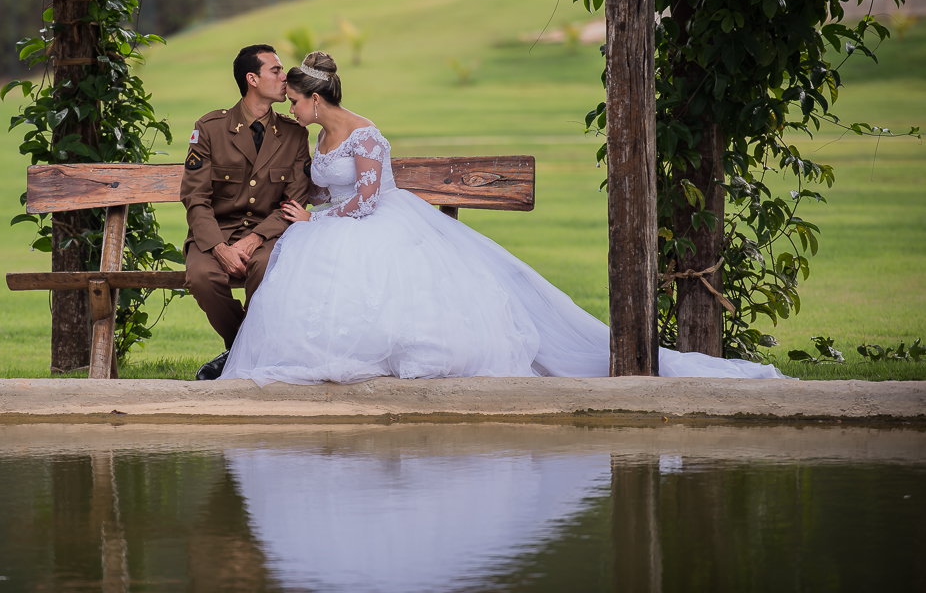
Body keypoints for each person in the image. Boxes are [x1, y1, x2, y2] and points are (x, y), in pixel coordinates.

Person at [220, 51, 786, 385]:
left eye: (294, 101)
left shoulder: (364, 133)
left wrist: (316, 219)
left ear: (315, 99)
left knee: (374, 277)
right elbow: (327, 190)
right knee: (312, 266)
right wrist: (310, 212)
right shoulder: (319, 134)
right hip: (339, 221)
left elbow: (366, 201)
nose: (291, 109)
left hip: (377, 221)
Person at [180, 44, 311, 381]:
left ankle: (234, 358)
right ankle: (245, 348)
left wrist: (255, 238)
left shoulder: (295, 134)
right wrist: (219, 247)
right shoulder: (210, 128)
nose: (286, 77)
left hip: (267, 234)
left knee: (266, 266)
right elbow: (196, 197)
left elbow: (294, 200)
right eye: (276, 71)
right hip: (216, 232)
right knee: (201, 277)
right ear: (252, 79)